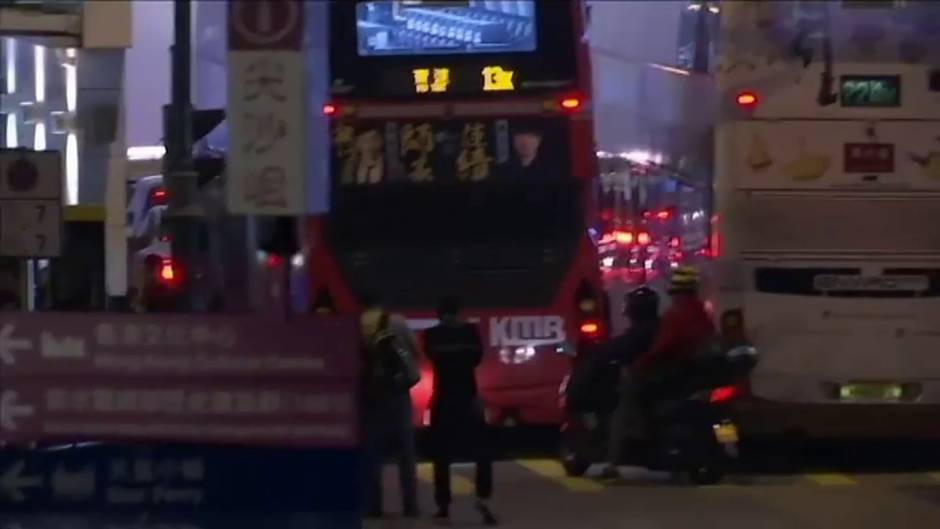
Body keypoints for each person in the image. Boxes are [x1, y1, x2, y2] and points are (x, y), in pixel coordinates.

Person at [598, 267, 715, 481]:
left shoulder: (676, 316)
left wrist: (635, 368)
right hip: (692, 375)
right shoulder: (702, 315)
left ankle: (613, 460)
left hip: (671, 374)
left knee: (625, 399)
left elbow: (660, 349)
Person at [424, 297, 497, 526]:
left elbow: (436, 355)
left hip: (444, 397)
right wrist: (461, 352)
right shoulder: (470, 332)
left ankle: (443, 505)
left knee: (440, 454)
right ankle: (483, 498)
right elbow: (475, 357)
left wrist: (450, 353)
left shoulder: (432, 335)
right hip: (469, 397)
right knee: (481, 451)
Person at [359, 295, 421, 518]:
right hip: (398, 394)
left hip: (371, 397)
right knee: (406, 454)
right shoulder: (397, 322)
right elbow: (415, 352)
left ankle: (373, 506)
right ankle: (410, 506)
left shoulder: (357, 324)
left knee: (372, 454)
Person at [596, 287, 661, 480]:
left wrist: (602, 352)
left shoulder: (641, 333)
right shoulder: (657, 327)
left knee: (620, 413)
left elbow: (620, 348)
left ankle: (612, 462)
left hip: (644, 380)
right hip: (659, 379)